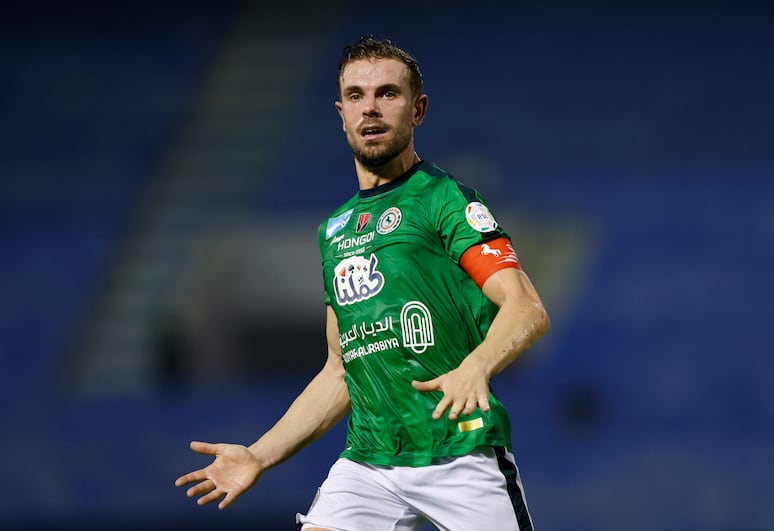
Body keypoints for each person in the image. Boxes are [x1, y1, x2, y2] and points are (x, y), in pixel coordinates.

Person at [175, 35, 550, 531]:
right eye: (356, 95)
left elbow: (526, 309)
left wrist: (476, 366)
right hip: (370, 462)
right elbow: (339, 371)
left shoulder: (445, 200)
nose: (370, 108)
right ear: (340, 111)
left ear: (417, 109)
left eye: (387, 94)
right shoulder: (334, 231)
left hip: (460, 451)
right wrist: (259, 457)